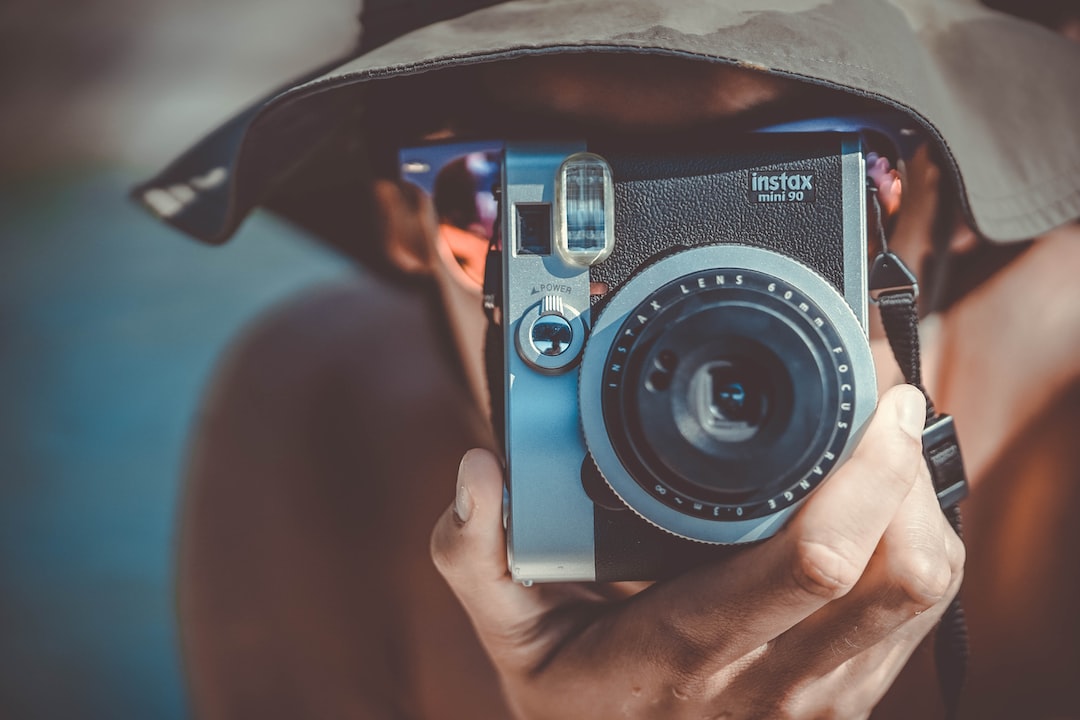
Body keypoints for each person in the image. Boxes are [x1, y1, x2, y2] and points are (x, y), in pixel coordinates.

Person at [133, 1, 1080, 717]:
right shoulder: (323, 431)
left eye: (787, 202)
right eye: (521, 210)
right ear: (407, 225)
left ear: (939, 207)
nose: (655, 311)